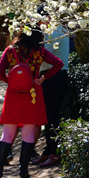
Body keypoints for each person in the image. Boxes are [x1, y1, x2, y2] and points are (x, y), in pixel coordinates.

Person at [0, 28, 64, 178]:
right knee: (29, 133)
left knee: (8, 133)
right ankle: (23, 171)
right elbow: (58, 64)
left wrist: (11, 82)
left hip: (13, 95)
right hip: (32, 93)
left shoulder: (10, 51)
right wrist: (42, 79)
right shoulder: (40, 52)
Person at [32, 25, 71, 168]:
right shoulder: (56, 30)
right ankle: (48, 151)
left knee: (52, 115)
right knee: (49, 116)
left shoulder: (55, 31)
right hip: (52, 75)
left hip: (55, 75)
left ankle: (54, 152)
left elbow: (44, 54)